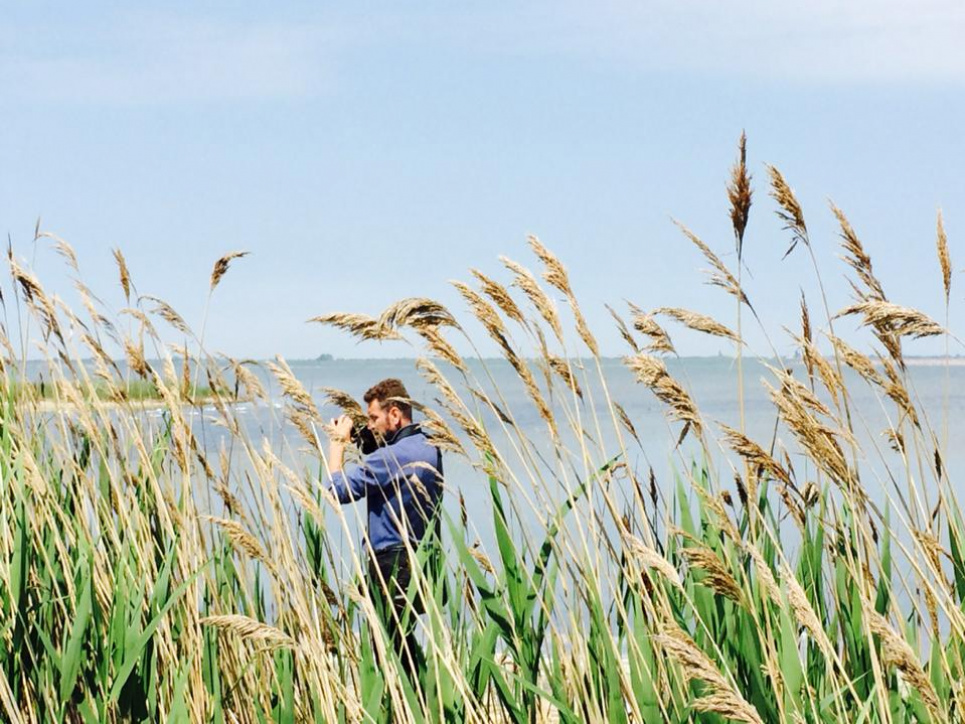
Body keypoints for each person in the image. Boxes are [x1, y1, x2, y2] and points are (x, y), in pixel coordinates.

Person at [326, 378, 444, 675]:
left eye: (374, 418)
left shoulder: (391, 457)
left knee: (388, 653)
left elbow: (336, 491)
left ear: (394, 414)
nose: (371, 424)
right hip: (423, 562)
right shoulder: (429, 448)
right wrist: (368, 439)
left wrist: (337, 444)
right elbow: (386, 466)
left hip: (392, 564)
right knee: (404, 646)